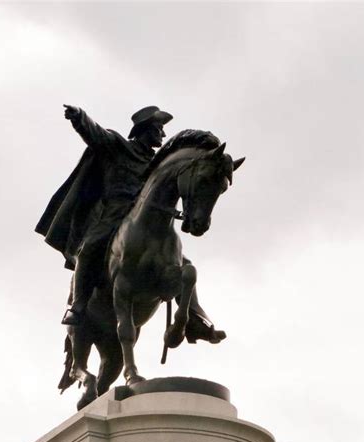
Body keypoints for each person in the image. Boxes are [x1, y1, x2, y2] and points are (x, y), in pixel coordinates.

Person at [35, 105, 224, 342]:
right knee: (90, 247)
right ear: (145, 130)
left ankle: (193, 318)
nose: (162, 135)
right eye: (158, 129)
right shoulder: (118, 146)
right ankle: (78, 305)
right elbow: (95, 134)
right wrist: (79, 117)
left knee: (183, 264)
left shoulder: (157, 162)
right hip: (114, 215)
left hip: (147, 218)